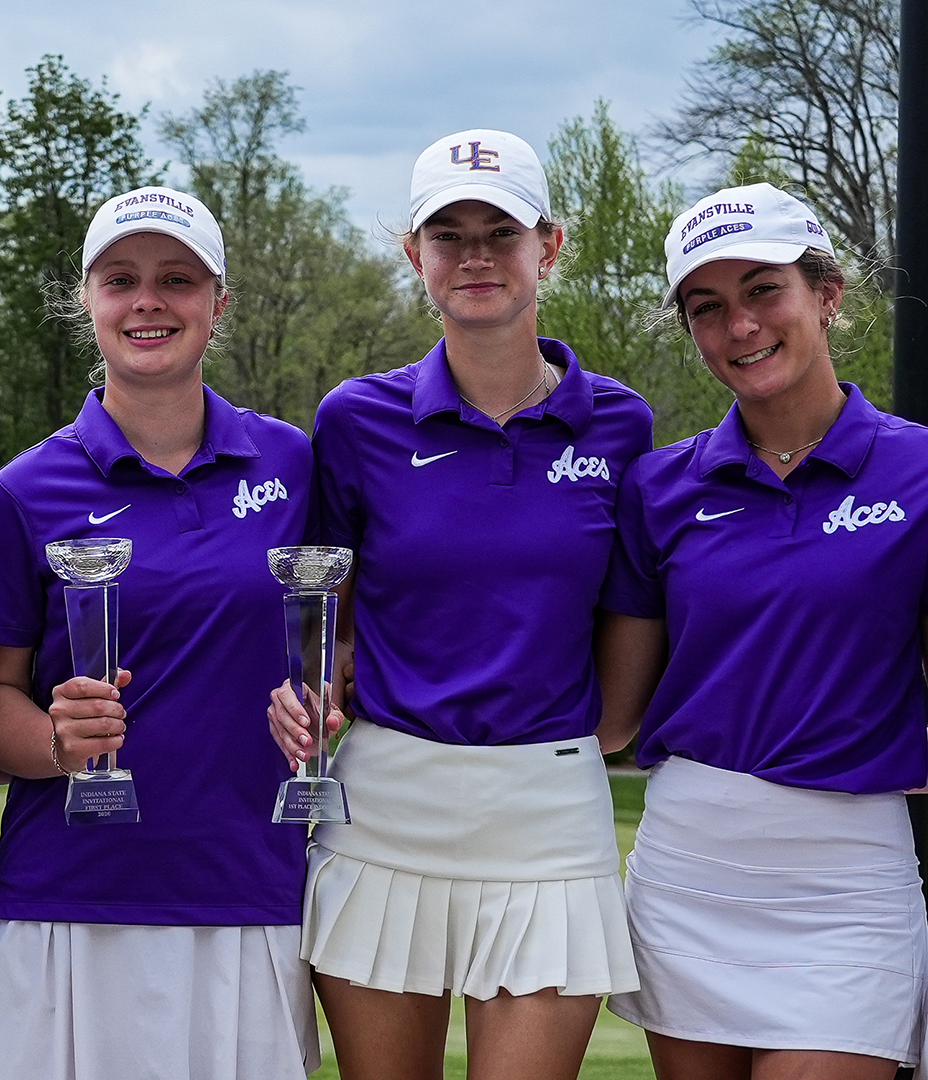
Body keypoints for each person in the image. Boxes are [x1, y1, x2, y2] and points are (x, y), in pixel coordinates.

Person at [276, 129, 650, 1080]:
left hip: (551, 813)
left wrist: (584, 737)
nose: (475, 255)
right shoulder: (355, 419)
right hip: (385, 804)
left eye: (501, 233)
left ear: (548, 247)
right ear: (415, 253)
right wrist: (320, 683)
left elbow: (624, 629)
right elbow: (328, 611)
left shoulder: (620, 423)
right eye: (448, 235)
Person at [0, 186, 321, 1080]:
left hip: (250, 894)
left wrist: (325, 698)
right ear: (87, 299)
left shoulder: (292, 462)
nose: (148, 301)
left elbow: (333, 637)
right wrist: (57, 740)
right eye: (121, 279)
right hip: (71, 899)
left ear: (218, 303)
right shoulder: (21, 493)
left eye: (177, 280)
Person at [597, 183, 928, 1080]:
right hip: (689, 870)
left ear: (827, 294)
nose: (739, 325)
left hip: (849, 883)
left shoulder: (919, 469)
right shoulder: (659, 488)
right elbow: (614, 718)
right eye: (707, 307)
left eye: (763, 289)